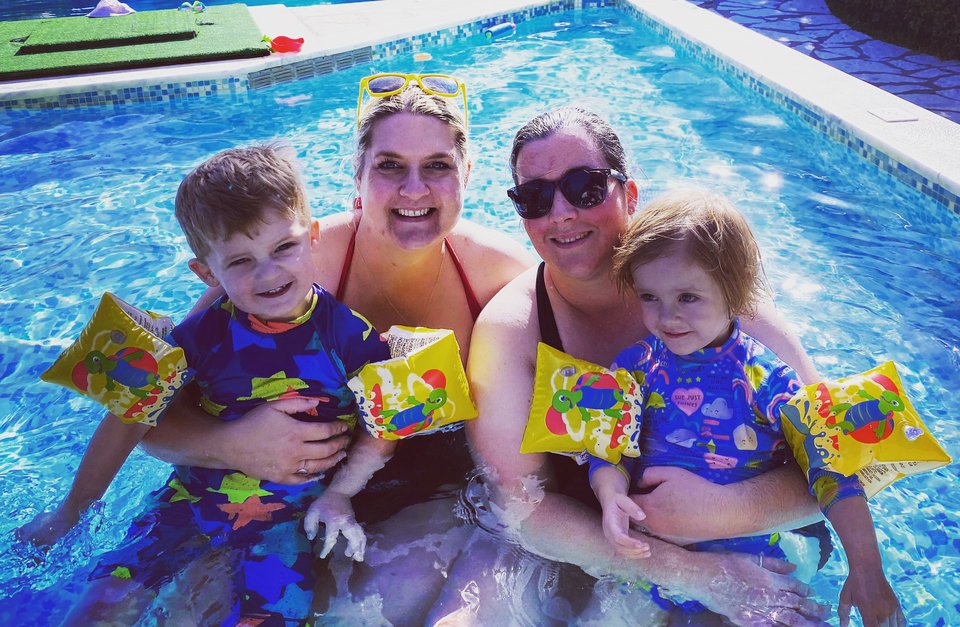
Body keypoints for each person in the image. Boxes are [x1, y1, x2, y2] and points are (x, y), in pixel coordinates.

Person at [137, 73, 535, 623]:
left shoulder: (501, 278)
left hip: (427, 489)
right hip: (270, 491)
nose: (414, 190)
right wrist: (227, 446)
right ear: (358, 174)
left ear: (466, 173)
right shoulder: (291, 266)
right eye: (389, 166)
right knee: (179, 609)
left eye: (437, 166)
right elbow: (147, 416)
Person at [465, 107, 837, 625]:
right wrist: (692, 573)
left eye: (585, 187)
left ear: (629, 194)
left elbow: (840, 458)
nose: (561, 213)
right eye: (535, 197)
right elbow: (518, 504)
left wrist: (725, 511)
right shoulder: (512, 331)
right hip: (614, 555)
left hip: (762, 537)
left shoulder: (714, 289)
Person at [21, 143, 399, 623]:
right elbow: (129, 418)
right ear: (206, 272)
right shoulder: (199, 338)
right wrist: (71, 510)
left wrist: (340, 494)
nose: (269, 273)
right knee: (101, 606)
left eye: (283, 247)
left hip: (285, 522)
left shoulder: (350, 337)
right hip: (185, 504)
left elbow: (385, 425)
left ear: (313, 237)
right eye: (240, 261)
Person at [588, 188, 904, 626]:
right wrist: (610, 497)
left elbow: (832, 467)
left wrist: (867, 568)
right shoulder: (636, 367)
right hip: (658, 554)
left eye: (688, 297)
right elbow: (609, 446)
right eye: (649, 297)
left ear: (735, 292)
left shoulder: (767, 380)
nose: (666, 316)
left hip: (761, 558)